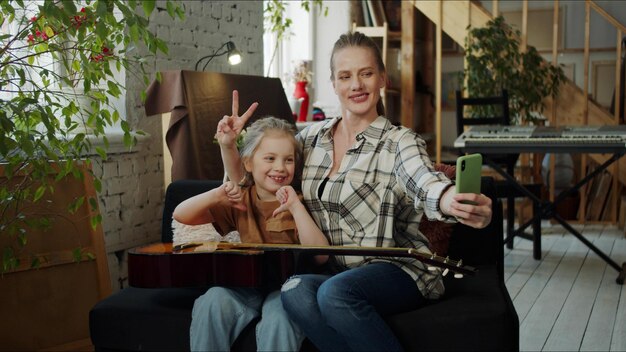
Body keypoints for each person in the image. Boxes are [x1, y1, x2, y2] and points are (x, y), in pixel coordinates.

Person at [218, 32, 493, 351]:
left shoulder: (399, 141)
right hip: (333, 272)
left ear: (382, 80)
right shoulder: (310, 139)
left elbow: (422, 178)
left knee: (336, 293)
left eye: (366, 73)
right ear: (333, 83)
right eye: (345, 76)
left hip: (396, 268)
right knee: (293, 290)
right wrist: (229, 148)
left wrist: (449, 199)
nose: (356, 85)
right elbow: (256, 182)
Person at [173, 115, 328, 352]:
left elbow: (320, 256)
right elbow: (181, 214)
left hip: (287, 288)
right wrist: (216, 194)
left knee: (280, 317)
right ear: (248, 163)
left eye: (288, 160)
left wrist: (296, 208)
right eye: (270, 158)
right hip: (247, 285)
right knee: (212, 300)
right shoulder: (241, 199)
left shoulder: (298, 200)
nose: (280, 167)